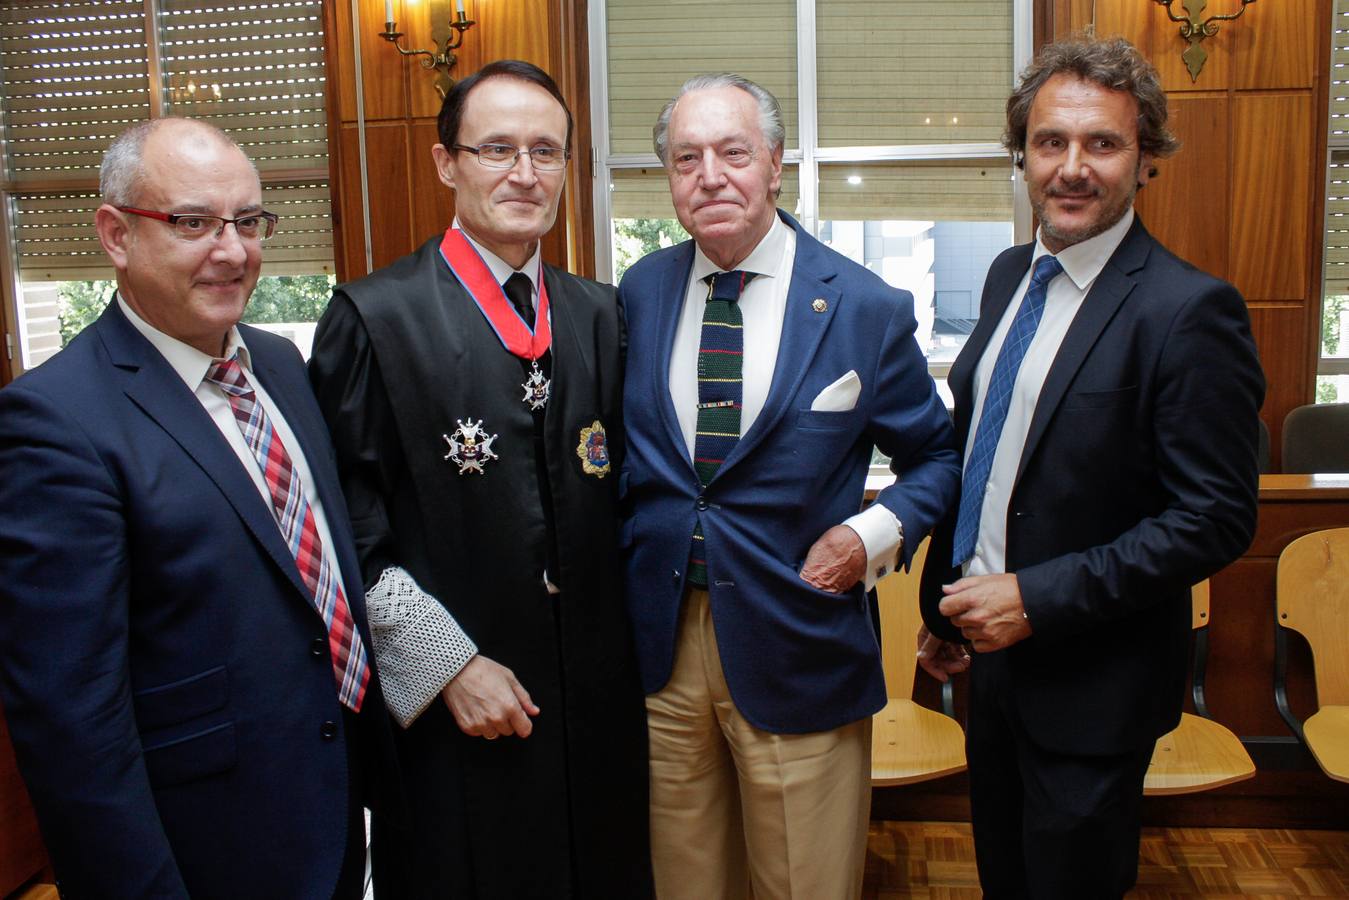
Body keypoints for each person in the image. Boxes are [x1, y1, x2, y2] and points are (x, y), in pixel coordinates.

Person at [0, 118, 391, 898]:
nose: (232, 250)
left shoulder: (278, 363)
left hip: (333, 805)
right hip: (207, 846)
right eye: (192, 223)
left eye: (248, 221)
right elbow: (73, 723)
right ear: (116, 234)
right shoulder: (54, 422)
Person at [917, 36, 1266, 899]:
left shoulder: (1188, 310)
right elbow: (986, 451)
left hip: (1092, 687)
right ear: (1022, 154)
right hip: (990, 662)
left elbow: (1214, 519)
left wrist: (1034, 598)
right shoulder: (1007, 275)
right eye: (1050, 142)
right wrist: (946, 603)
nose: (1071, 168)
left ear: (1144, 159)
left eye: (1101, 144)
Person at [308, 60, 651, 898]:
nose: (524, 173)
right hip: (458, 713)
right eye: (497, 149)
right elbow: (341, 523)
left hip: (594, 706)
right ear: (446, 163)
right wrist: (446, 665)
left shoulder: (599, 314)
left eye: (545, 151)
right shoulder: (373, 317)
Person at [618, 73, 961, 898]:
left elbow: (937, 459)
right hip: (658, 648)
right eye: (687, 158)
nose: (710, 176)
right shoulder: (637, 293)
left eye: (733, 153)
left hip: (798, 637)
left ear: (774, 164)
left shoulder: (865, 307)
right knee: (682, 883)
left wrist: (866, 538)